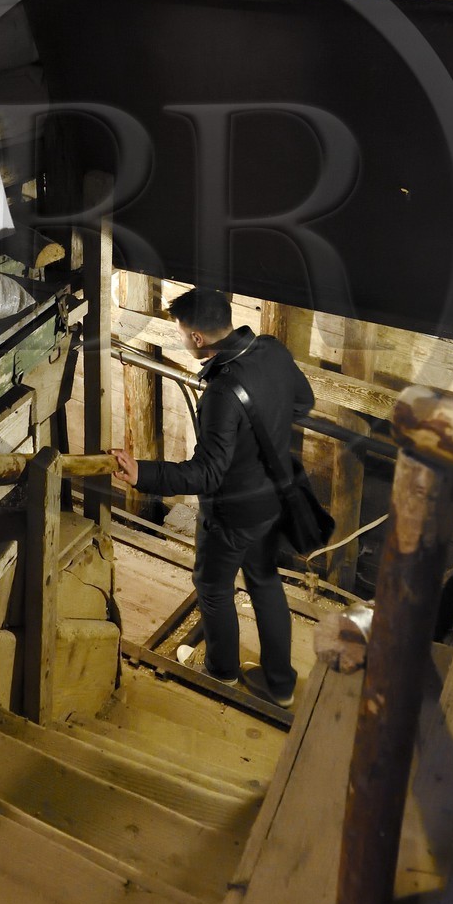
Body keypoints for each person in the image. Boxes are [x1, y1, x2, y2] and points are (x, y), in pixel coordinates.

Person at [113, 289, 313, 707]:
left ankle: (221, 672)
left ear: (198, 338)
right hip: (272, 499)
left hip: (233, 512)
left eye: (182, 333)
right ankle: (281, 684)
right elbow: (303, 401)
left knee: (213, 585)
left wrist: (142, 473)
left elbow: (207, 473)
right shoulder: (272, 351)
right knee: (264, 580)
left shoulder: (223, 392)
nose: (183, 340)